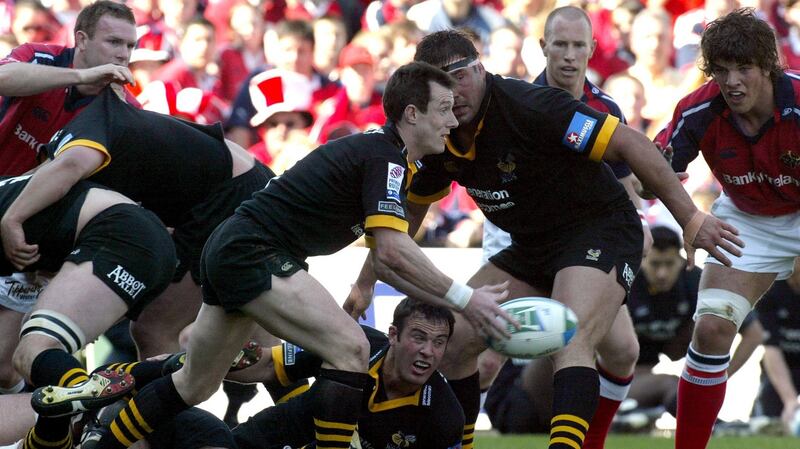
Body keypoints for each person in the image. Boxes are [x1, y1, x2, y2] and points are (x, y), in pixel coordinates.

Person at [62, 61, 514, 449]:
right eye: (443, 109)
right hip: (253, 251)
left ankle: (104, 440)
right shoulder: (386, 159)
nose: (452, 120)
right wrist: (466, 299)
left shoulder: (387, 156)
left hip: (233, 249)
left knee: (194, 383)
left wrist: (368, 284)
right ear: (412, 114)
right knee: (352, 349)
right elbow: (394, 252)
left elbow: (388, 256)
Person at [347, 27, 742, 449]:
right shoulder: (440, 129)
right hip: (533, 247)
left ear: (480, 69)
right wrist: (365, 283)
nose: (454, 93)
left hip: (601, 228)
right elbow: (404, 218)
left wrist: (689, 217)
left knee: (571, 334)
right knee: (456, 339)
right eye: (441, 84)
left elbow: (630, 143)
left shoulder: (529, 106)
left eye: (460, 76)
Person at [479, 8, 652, 447]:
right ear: (543, 47)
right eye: (561, 45)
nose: (570, 55)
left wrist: (641, 214)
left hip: (586, 244)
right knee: (484, 359)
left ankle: (589, 442)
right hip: (521, 240)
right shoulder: (517, 103)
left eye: (578, 46)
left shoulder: (606, 109)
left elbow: (624, 184)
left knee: (623, 352)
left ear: (593, 49)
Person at [0, 82, 274, 359]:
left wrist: (11, 220)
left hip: (231, 196)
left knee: (154, 329)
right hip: (234, 192)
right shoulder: (89, 146)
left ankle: (164, 395)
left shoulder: (85, 135)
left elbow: (69, 166)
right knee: (247, 324)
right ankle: (288, 377)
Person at [654, 8, 800, 449]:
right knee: (712, 329)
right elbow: (654, 168)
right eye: (721, 70)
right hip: (748, 217)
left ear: (769, 66)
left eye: (744, 68)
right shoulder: (698, 109)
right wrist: (674, 202)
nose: (732, 81)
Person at [0, 0, 139, 392]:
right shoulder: (42, 57)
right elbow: (3, 78)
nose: (123, 54)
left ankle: (47, 417)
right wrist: (81, 76)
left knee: (5, 369)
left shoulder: (124, 109)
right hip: (5, 199)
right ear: (81, 39)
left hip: (34, 233)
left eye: (130, 46)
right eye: (114, 42)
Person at [0, 174, 176, 449]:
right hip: (147, 241)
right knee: (27, 361)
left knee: (33, 351)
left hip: (118, 236)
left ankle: (93, 411)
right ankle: (167, 369)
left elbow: (71, 165)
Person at [752, 258, 800, 432]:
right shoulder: (770, 290)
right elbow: (771, 349)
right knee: (767, 423)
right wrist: (790, 400)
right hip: (780, 369)